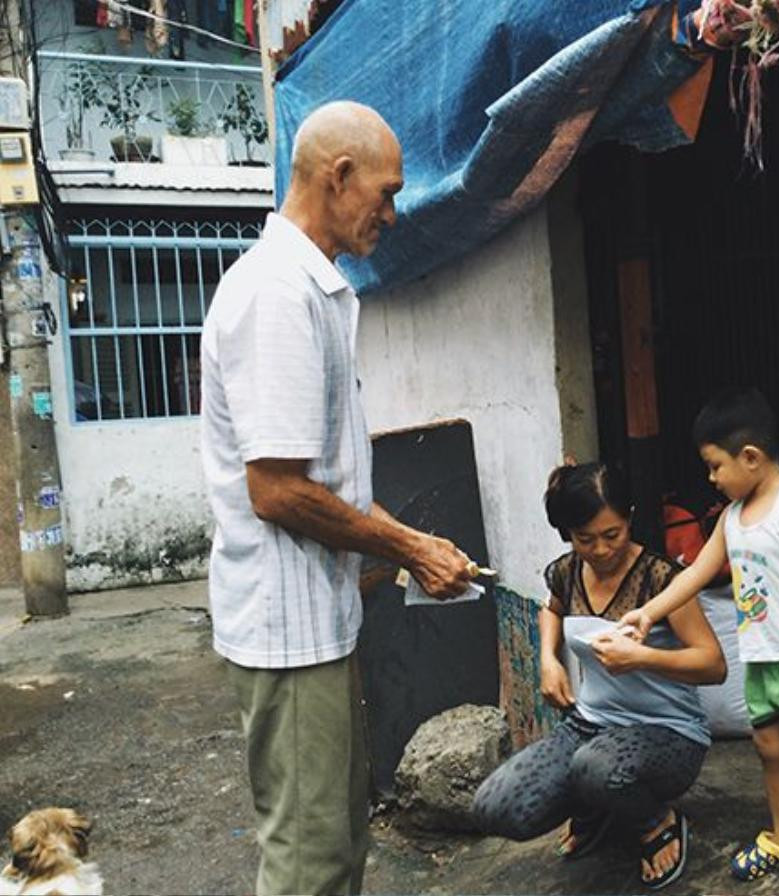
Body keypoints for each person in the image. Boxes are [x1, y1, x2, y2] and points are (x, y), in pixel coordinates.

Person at [199, 101, 474, 896]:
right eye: (384, 193)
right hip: (287, 633)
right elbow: (277, 492)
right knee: (310, 862)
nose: (392, 213)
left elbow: (324, 484)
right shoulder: (277, 296)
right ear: (338, 175)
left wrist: (409, 545)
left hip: (317, 622)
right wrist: (407, 548)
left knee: (339, 842)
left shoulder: (312, 291)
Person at [621, 388, 779, 896]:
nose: (711, 478)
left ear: (750, 457)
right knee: (770, 749)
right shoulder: (731, 518)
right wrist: (648, 611)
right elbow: (695, 575)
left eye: (715, 466)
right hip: (762, 659)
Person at [472, 463, 726, 890]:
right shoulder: (567, 572)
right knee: (495, 807)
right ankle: (597, 805)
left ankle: (654, 822)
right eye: (585, 539)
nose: (602, 550)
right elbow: (551, 609)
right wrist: (548, 662)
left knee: (596, 767)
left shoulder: (660, 579)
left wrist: (642, 658)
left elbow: (712, 665)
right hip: (589, 727)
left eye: (613, 535)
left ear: (629, 518)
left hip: (669, 735)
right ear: (568, 533)